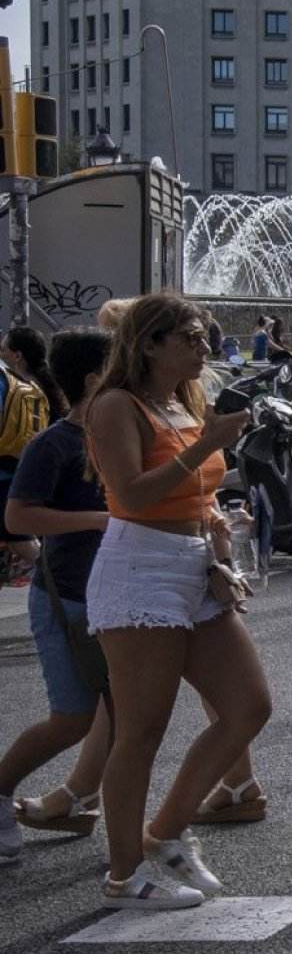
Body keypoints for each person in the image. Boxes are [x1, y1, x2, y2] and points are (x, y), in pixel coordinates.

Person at [81, 294, 267, 908]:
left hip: (194, 564)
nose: (204, 346)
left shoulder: (182, 401)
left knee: (247, 706)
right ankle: (123, 877)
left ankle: (163, 833)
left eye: (203, 336)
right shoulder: (115, 406)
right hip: (140, 567)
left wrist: (217, 524)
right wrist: (203, 442)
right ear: (151, 343)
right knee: (141, 730)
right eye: (190, 336)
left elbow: (194, 487)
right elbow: (130, 495)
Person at [1, 329, 115, 863]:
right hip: (66, 598)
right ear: (94, 381)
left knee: (128, 714)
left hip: (117, 597)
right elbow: (17, 517)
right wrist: (99, 519)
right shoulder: (55, 444)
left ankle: (117, 826)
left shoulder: (121, 437)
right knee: (73, 718)